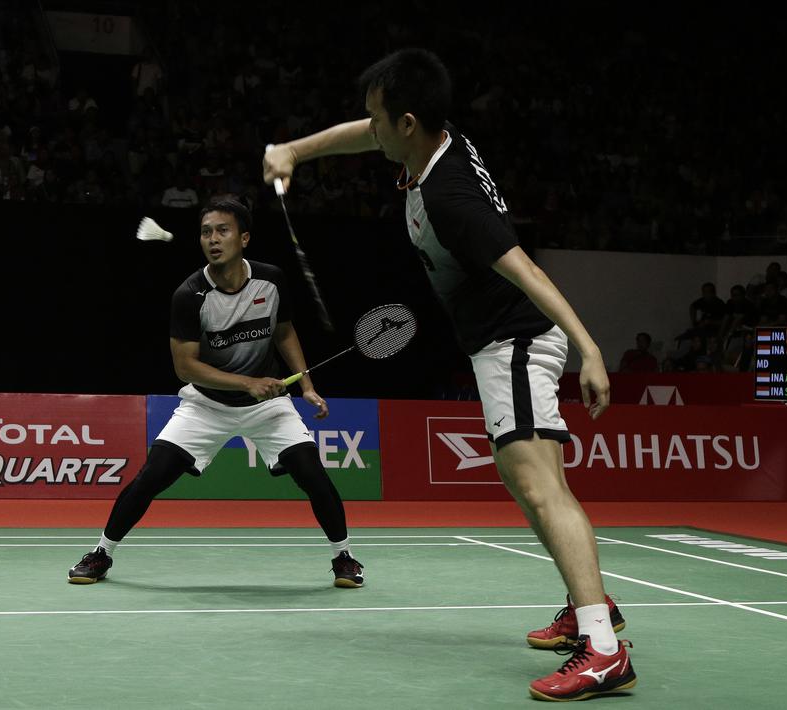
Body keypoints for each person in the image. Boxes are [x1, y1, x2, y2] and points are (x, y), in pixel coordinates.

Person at [263, 48, 634, 701]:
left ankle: (603, 651)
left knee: (539, 485)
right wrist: (292, 149)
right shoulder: (430, 145)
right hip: (493, 345)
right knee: (526, 484)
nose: (368, 129)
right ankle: (587, 607)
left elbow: (527, 271)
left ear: (407, 123)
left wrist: (589, 349)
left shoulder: (450, 195)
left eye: (377, 121)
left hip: (515, 341)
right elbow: (357, 135)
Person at [68, 195, 363, 588]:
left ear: (244, 238)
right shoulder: (189, 296)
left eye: (222, 230)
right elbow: (185, 366)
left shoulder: (271, 279)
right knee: (152, 476)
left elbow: (284, 330)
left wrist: (306, 385)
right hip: (207, 405)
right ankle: (101, 552)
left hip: (267, 406)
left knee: (311, 471)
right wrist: (248, 383)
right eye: (206, 232)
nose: (212, 239)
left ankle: (343, 557)